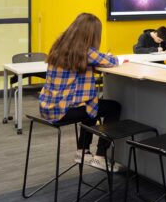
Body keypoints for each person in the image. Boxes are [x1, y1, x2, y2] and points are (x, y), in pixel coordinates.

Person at [39, 13, 122, 172]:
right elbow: (112, 61)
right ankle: (100, 156)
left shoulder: (58, 46)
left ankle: (82, 151)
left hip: (48, 107)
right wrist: (105, 56)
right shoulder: (85, 52)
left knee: (92, 105)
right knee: (112, 107)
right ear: (91, 34)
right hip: (63, 111)